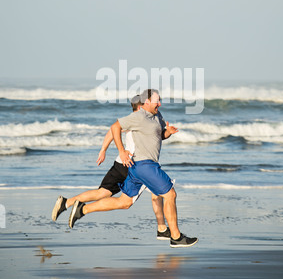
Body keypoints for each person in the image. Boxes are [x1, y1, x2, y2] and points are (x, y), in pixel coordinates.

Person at [67, 89, 198, 248]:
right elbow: (115, 127)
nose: (160, 104)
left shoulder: (158, 116)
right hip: (144, 164)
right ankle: (176, 237)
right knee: (170, 194)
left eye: (160, 101)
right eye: (157, 101)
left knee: (125, 202)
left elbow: (159, 135)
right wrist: (121, 151)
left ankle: (83, 210)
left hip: (138, 168)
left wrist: (168, 133)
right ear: (146, 102)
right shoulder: (139, 116)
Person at [52, 95, 171, 240]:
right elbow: (114, 129)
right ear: (141, 107)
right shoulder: (139, 119)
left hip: (120, 163)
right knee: (156, 194)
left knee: (102, 192)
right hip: (134, 165)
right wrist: (118, 150)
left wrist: (103, 150)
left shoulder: (133, 119)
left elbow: (112, 130)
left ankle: (67, 202)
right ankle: (162, 228)